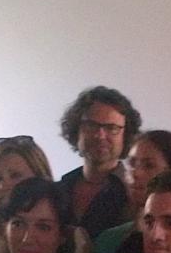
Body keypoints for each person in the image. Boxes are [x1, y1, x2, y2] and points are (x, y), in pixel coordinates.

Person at [57, 86, 142, 238]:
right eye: (91, 125)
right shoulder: (60, 188)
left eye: (112, 128)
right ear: (76, 129)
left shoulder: (133, 194)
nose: (100, 135)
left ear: (126, 135)